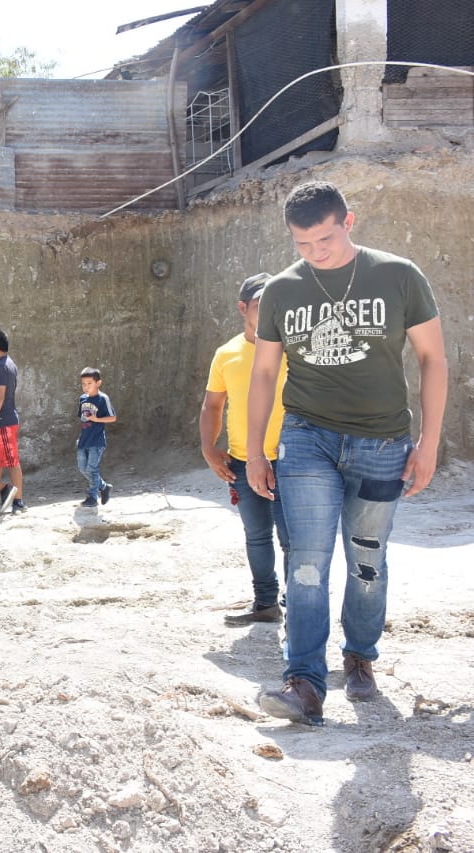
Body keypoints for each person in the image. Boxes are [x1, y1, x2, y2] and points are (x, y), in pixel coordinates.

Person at [246, 181, 447, 726]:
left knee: (366, 564)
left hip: (383, 442)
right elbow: (264, 372)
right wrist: (259, 450)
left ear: (349, 222)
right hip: (307, 437)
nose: (317, 253)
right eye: (303, 244)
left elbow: (431, 358)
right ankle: (304, 683)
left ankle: (359, 655)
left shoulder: (399, 275)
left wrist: (428, 443)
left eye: (326, 239)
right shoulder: (284, 290)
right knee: (307, 562)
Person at [200, 273, 290, 625]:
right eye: (259, 305)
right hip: (242, 462)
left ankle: (297, 604)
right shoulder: (227, 354)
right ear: (243, 308)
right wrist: (209, 448)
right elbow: (212, 405)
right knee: (256, 536)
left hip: (292, 461)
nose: (268, 311)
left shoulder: (294, 349)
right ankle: (266, 603)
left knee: (292, 539)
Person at [0, 329, 25, 513]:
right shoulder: (9, 363)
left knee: (12, 461)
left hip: (4, 421)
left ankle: (18, 501)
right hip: (5, 420)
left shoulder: (0, 367)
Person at [76, 367, 117, 508]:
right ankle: (104, 487)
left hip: (97, 441)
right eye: (83, 384)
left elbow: (112, 417)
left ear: (98, 383)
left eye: (89, 383)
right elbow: (82, 419)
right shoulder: (82, 399)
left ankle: (92, 497)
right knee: (83, 468)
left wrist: (96, 419)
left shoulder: (103, 399)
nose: (86, 387)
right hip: (83, 440)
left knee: (92, 469)